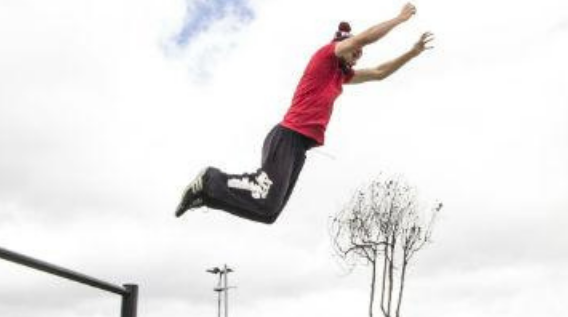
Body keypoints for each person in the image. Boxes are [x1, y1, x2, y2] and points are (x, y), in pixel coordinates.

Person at [174, 3, 434, 224]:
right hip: (288, 135)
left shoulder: (341, 75)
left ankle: (206, 195)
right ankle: (210, 180)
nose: (358, 57)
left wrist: (412, 52)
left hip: (299, 147)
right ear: (342, 45)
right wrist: (400, 19)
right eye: (355, 52)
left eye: (360, 55)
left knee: (269, 212)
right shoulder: (326, 56)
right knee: (263, 193)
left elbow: (379, 73)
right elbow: (363, 38)